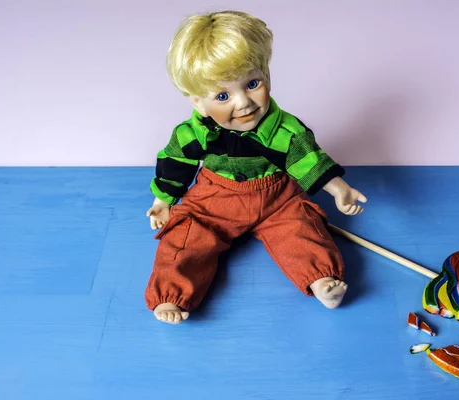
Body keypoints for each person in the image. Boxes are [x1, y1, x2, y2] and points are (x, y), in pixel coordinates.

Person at [144, 10, 367, 324]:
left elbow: (307, 159)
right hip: (214, 199)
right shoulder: (193, 133)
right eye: (223, 95)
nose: (243, 103)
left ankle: (321, 279)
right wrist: (163, 201)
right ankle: (171, 293)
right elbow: (175, 161)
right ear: (198, 102)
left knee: (301, 228)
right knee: (185, 237)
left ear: (267, 75)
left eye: (252, 83)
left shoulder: (284, 130)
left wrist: (338, 189)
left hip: (277, 197)